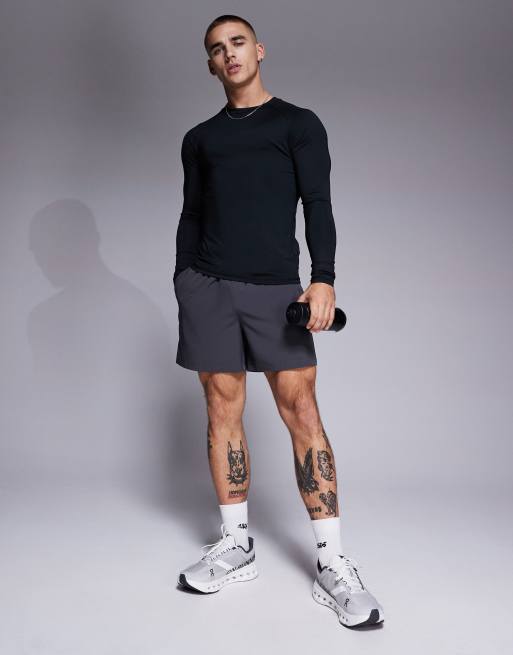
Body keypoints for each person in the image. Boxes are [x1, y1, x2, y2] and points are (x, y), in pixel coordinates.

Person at [174, 14, 384, 628]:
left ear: (259, 50)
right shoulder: (199, 139)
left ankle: (333, 562)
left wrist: (324, 277)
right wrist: (184, 278)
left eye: (238, 42)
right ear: (211, 65)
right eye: (217, 49)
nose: (229, 54)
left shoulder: (298, 124)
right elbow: (191, 214)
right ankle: (236, 544)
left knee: (301, 412)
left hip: (274, 291)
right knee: (222, 408)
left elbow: (317, 204)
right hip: (207, 287)